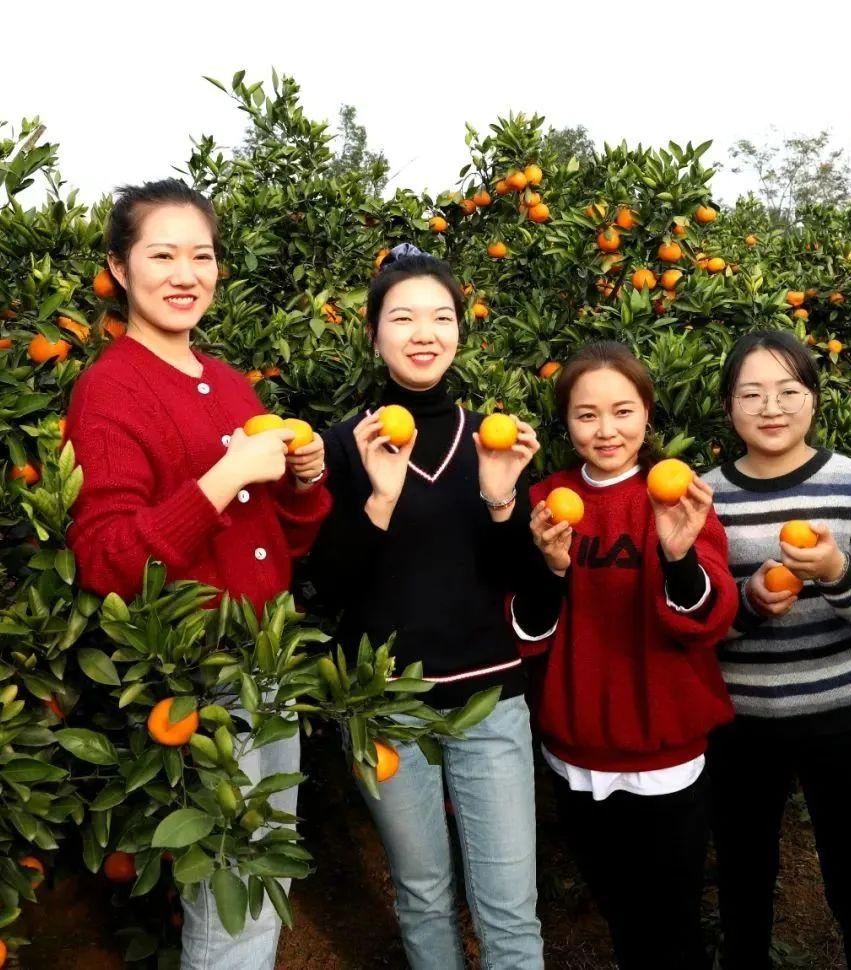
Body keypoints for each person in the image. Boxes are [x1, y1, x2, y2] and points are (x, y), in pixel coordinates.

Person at [65, 178, 331, 970]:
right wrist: (222, 477)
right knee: (229, 894)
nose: (186, 274)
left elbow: (281, 540)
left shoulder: (229, 382)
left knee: (263, 874)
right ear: (118, 266)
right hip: (198, 674)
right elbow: (109, 560)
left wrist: (304, 482)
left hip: (268, 666)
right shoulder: (109, 389)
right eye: (163, 254)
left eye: (202, 255)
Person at [309, 244, 545, 970]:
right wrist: (379, 499)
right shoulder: (344, 445)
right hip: (385, 709)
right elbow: (326, 586)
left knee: (509, 909)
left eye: (440, 316)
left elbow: (524, 586)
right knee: (423, 894)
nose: (423, 332)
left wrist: (503, 496)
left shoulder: (493, 440)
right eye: (402, 317)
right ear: (375, 334)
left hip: (490, 702)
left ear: (460, 332)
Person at [511, 340, 736, 970]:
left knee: (673, 917)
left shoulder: (678, 497)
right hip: (578, 747)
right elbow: (528, 633)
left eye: (622, 411)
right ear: (567, 422)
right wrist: (550, 570)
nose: (606, 430)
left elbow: (709, 618)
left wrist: (678, 556)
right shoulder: (547, 501)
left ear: (647, 415)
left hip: (665, 748)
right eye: (586, 415)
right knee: (618, 908)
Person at [701, 329, 851, 970]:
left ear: (813, 400)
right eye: (752, 393)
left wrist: (837, 572)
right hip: (740, 724)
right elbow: (693, 621)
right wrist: (752, 603)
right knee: (742, 883)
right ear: (730, 405)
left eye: (789, 390)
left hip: (843, 715)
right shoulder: (703, 496)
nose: (771, 407)